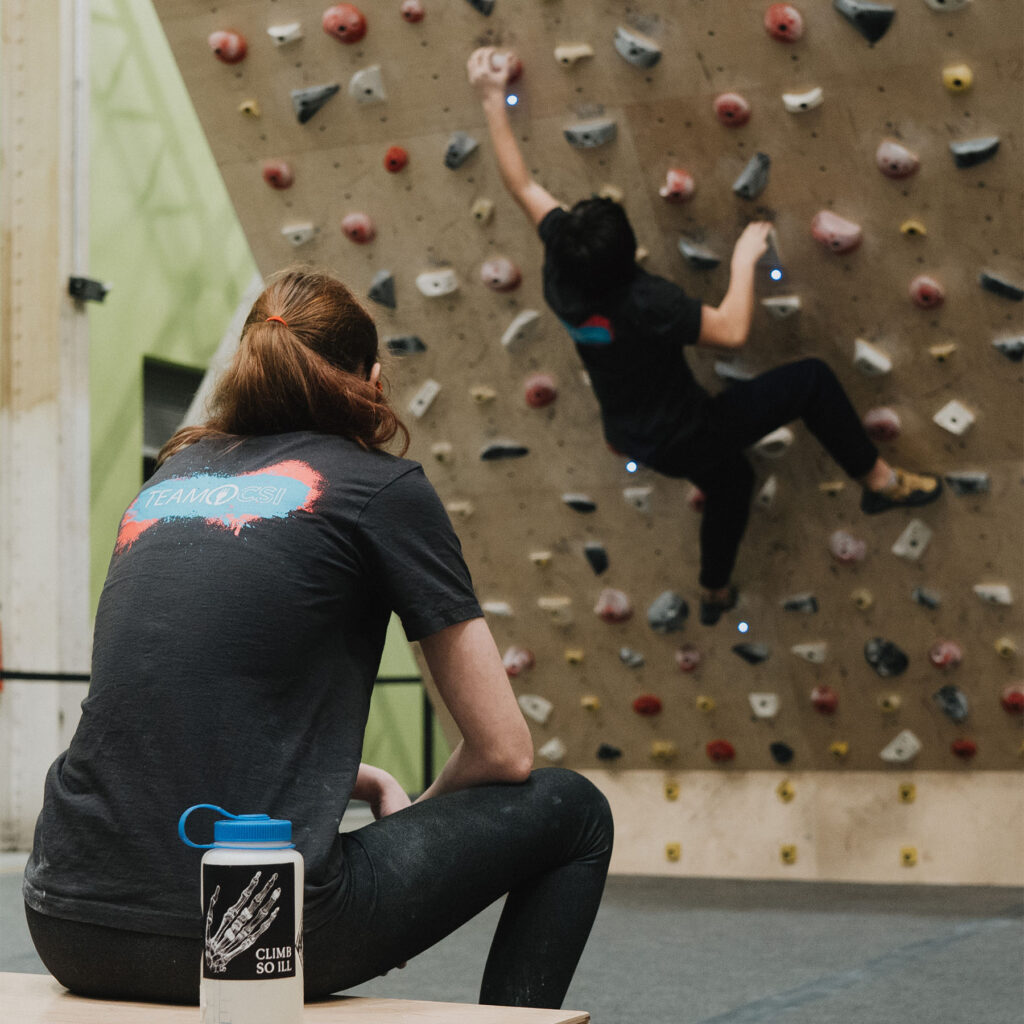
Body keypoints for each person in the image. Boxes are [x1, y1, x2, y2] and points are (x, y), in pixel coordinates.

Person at [23, 269, 613, 1008]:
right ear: (370, 381)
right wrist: (414, 822)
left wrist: (340, 775)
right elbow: (504, 750)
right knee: (574, 809)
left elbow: (178, 695)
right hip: (246, 935)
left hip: (67, 921)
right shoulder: (383, 488)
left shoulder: (167, 481)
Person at [467, 47, 942, 625]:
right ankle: (880, 480)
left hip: (632, 431)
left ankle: (715, 594)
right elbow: (732, 332)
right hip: (685, 431)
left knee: (734, 481)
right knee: (812, 381)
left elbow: (520, 184)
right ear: (624, 257)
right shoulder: (646, 301)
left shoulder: (563, 272)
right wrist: (744, 258)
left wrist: (493, 96)